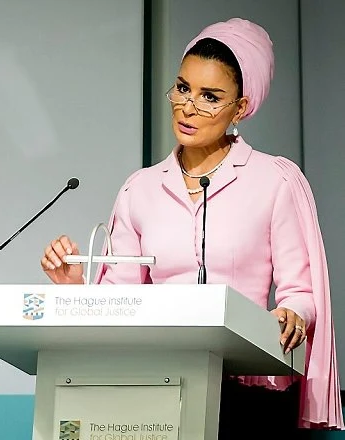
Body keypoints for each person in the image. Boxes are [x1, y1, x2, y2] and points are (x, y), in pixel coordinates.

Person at [40, 18, 343, 435]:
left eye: (210, 97)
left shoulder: (274, 180)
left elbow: (301, 292)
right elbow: (121, 296)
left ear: (241, 107)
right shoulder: (140, 188)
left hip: (247, 392)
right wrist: (76, 286)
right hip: (157, 386)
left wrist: (292, 313)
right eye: (183, 88)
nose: (188, 107)